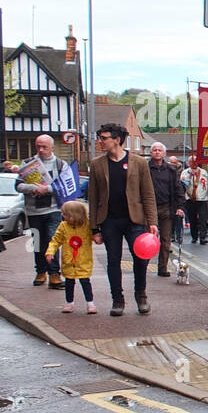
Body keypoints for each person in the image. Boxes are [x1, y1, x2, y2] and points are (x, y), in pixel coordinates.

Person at [86, 122, 158, 316]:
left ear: (117, 140)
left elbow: (148, 194)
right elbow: (92, 198)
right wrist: (94, 228)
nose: (100, 141)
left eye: (104, 138)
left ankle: (141, 296)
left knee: (141, 259)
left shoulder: (139, 162)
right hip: (110, 221)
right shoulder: (97, 164)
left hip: (135, 220)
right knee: (113, 261)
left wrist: (152, 222)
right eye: (100, 138)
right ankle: (117, 300)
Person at [16, 134, 69, 289]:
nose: (41, 149)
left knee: (52, 240)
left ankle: (54, 274)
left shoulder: (60, 164)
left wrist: (48, 189)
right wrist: (34, 188)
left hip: (53, 209)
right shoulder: (27, 164)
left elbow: (65, 186)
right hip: (33, 211)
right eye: (38, 146)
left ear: (52, 147)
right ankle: (40, 271)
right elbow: (18, 185)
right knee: (38, 242)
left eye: (44, 147)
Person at [45, 200, 97, 314]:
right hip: (68, 260)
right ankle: (69, 303)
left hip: (83, 260)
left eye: (65, 214)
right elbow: (56, 240)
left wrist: (97, 237)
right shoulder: (63, 226)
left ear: (74, 215)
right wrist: (50, 252)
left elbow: (94, 236)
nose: (63, 216)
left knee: (85, 282)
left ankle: (90, 303)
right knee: (69, 282)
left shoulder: (87, 225)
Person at [146, 143, 184, 277]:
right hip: (149, 210)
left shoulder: (171, 170)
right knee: (148, 240)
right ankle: (143, 267)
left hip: (167, 208)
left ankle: (162, 268)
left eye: (159, 150)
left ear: (164, 153)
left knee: (166, 241)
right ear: (151, 153)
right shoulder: (145, 168)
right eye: (154, 150)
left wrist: (180, 207)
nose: (157, 152)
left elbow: (178, 189)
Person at [182, 157, 208, 245]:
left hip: (202, 199)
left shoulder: (204, 172)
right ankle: (194, 236)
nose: (194, 163)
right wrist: (190, 176)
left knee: (202, 219)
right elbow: (183, 184)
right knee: (192, 219)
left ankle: (203, 237)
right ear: (188, 163)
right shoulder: (185, 172)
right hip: (190, 199)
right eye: (191, 162)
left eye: (196, 161)